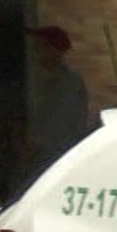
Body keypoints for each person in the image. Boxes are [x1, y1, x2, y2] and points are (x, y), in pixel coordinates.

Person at [25, 25, 92, 174]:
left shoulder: (68, 83)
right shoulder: (46, 80)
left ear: (53, 50)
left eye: (39, 47)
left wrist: (33, 146)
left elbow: (58, 125)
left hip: (57, 160)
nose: (35, 53)